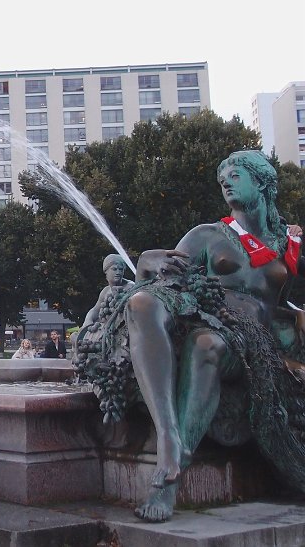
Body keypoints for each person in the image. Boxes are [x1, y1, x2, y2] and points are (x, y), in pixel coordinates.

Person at [76, 150, 305, 522]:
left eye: (236, 174)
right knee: (144, 305)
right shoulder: (207, 235)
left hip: (254, 338)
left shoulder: (290, 242)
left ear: (262, 182)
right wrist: (149, 260)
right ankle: (169, 441)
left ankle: (173, 464)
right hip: (210, 317)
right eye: (222, 178)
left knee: (206, 346)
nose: (226, 182)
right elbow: (164, 272)